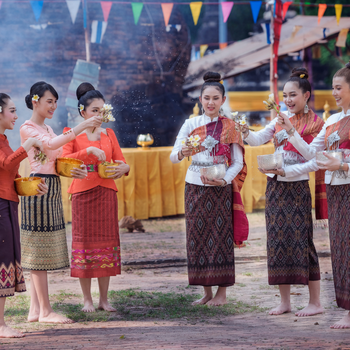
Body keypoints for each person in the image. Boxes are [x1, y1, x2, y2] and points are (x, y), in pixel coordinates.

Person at [241, 68, 327, 317]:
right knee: (277, 241)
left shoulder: (316, 123)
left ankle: (316, 303)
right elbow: (258, 140)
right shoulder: (278, 117)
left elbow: (313, 160)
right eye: (285, 96)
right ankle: (285, 301)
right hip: (276, 186)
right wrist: (245, 131)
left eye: (293, 95)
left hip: (297, 187)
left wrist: (291, 131)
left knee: (303, 242)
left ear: (306, 95)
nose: (288, 100)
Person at [20, 82, 103, 324]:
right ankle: (45, 311)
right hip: (39, 188)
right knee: (38, 251)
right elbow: (50, 146)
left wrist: (72, 168)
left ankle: (35, 310)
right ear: (35, 102)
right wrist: (82, 127)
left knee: (42, 250)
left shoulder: (46, 127)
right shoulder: (28, 128)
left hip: (51, 186)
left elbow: (58, 156)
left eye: (55, 101)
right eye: (49, 101)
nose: (54, 106)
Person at [278, 62, 350, 329]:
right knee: (340, 251)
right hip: (336, 191)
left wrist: (342, 165)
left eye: (339, 88)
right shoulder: (331, 121)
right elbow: (311, 153)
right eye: (333, 88)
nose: (334, 93)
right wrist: (289, 130)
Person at [170, 72, 248, 306]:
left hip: (220, 189)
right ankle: (206, 292)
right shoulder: (190, 124)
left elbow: (237, 162)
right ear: (200, 100)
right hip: (194, 187)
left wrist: (225, 181)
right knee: (198, 237)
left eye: (215, 98)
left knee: (221, 238)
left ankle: (221, 294)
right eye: (206, 98)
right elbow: (173, 156)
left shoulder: (231, 126)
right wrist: (183, 152)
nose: (211, 102)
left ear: (223, 100)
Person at [62, 83, 129, 313]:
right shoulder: (71, 133)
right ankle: (87, 300)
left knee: (106, 245)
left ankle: (104, 299)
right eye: (94, 111)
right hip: (82, 194)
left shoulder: (109, 134)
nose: (99, 115)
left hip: (107, 193)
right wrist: (88, 152)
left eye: (102, 110)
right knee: (85, 245)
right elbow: (64, 160)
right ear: (83, 112)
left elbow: (121, 160)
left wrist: (125, 167)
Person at [0, 93, 48, 338]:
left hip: (8, 204)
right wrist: (27, 146)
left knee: (6, 259)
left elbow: (10, 175)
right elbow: (7, 164)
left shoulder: (5, 140)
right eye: (11, 110)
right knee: (2, 260)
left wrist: (29, 186)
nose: (16, 116)